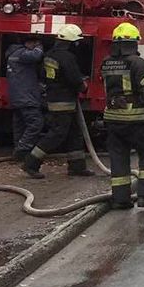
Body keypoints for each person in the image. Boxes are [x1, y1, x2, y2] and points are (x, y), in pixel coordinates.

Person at [100, 22, 144, 209]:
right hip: (136, 120)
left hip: (112, 119)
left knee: (118, 158)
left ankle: (120, 199)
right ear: (134, 42)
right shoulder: (138, 63)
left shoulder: (106, 62)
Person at [22, 24, 95, 179]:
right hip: (64, 101)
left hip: (55, 98)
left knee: (75, 133)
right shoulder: (67, 58)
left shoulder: (49, 55)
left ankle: (77, 166)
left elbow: (43, 74)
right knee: (57, 134)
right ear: (72, 42)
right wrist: (83, 86)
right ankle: (31, 162)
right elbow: (75, 79)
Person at [6, 36, 44, 161]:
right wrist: (40, 46)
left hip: (17, 96)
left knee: (20, 125)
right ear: (27, 43)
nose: (35, 46)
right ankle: (22, 150)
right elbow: (36, 56)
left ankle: (18, 149)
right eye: (33, 43)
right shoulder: (22, 54)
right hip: (26, 97)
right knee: (35, 124)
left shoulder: (13, 53)